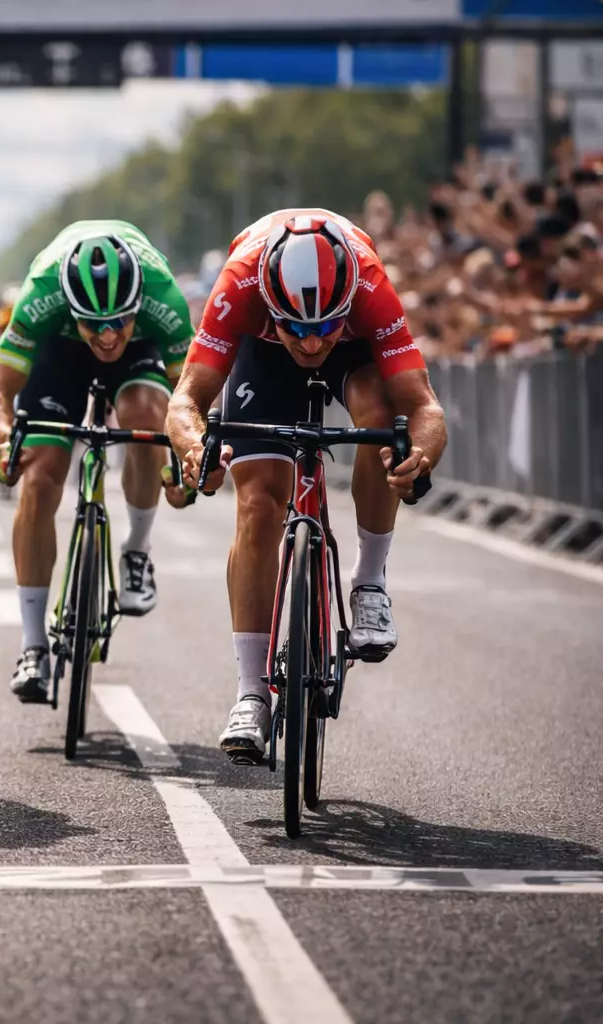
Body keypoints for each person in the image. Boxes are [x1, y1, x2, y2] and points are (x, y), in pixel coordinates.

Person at [163, 209, 446, 763]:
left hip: (356, 354)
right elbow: (186, 401)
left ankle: (368, 582)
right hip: (262, 359)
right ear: (271, 301)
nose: (312, 343)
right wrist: (196, 449)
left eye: (323, 329)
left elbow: (424, 407)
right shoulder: (240, 281)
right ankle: (250, 694)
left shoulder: (368, 284)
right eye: (298, 328)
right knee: (260, 503)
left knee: (380, 422)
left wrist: (419, 456)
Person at [0, 222, 193, 704]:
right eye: (95, 323)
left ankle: (136, 549)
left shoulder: (164, 298)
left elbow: (192, 398)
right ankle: (32, 645)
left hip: (143, 356)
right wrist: (5, 441)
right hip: (60, 353)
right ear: (71, 307)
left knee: (146, 419)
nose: (109, 334)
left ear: (137, 305)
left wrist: (186, 459)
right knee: (40, 472)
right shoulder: (41, 293)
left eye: (119, 320)